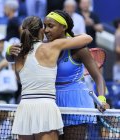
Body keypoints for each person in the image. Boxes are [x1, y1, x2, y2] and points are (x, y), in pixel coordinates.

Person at [11, 15, 92, 140]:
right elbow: (87, 38)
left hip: (24, 108)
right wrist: (67, 35)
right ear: (41, 30)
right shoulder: (52, 46)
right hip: (45, 107)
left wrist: (8, 52)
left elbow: (19, 79)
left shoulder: (18, 54)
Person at [44, 10, 109, 140]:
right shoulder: (44, 48)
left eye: (51, 26)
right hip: (51, 100)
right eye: (44, 26)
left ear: (63, 27)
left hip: (75, 101)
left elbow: (98, 77)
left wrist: (102, 98)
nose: (46, 30)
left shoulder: (79, 49)